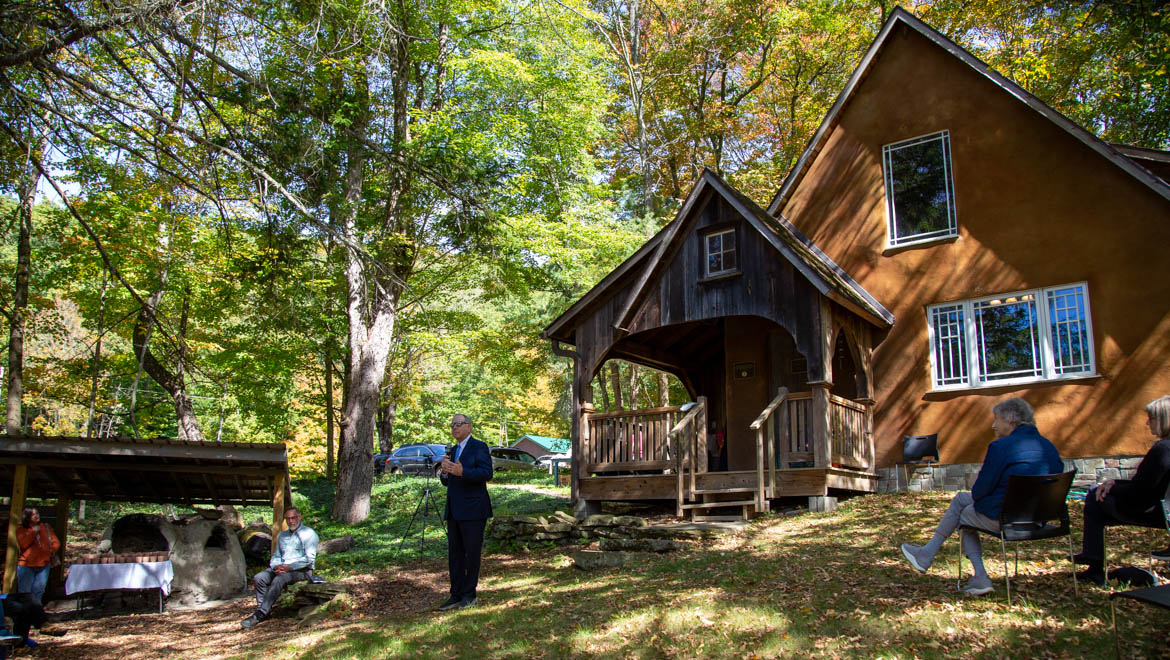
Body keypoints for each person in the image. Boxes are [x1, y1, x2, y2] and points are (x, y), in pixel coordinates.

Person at [899, 397, 1063, 596]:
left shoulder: (1001, 447)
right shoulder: (1050, 448)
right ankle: (927, 553)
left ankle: (978, 575)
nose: (994, 425)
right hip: (1038, 520)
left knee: (963, 513)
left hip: (1007, 518)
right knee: (960, 500)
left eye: (996, 419)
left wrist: (980, 480)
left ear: (1011, 418)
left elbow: (978, 493)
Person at [1072, 395, 1170, 585]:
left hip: (1151, 511)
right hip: (1161, 508)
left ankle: (1094, 566)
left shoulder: (1163, 450)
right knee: (1099, 498)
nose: (1147, 422)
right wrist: (1115, 483)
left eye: (1152, 418)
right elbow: (1147, 483)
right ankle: (1093, 560)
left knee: (1094, 496)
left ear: (1164, 419)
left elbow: (1139, 492)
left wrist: (1112, 487)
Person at [437, 414, 493, 611]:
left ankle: (470, 594)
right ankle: (456, 594)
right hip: (454, 509)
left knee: (471, 554)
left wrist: (464, 472)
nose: (454, 428)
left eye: (458, 424)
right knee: (455, 554)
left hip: (474, 509)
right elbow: (448, 480)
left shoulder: (479, 447)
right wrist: (445, 472)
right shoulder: (452, 450)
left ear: (469, 426)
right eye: (452, 424)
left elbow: (487, 473)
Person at [240, 507, 319, 629]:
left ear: (300, 517)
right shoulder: (283, 535)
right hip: (282, 568)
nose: (291, 521)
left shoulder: (309, 534)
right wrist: (276, 566)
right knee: (259, 578)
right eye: (288, 519)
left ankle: (260, 614)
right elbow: (276, 555)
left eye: (293, 518)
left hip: (302, 571)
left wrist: (289, 567)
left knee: (279, 579)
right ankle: (263, 610)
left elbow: (309, 559)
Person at [16, 507, 60, 605]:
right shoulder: (21, 528)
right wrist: (33, 532)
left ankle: (36, 615)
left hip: (44, 564)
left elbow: (56, 542)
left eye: (37, 513)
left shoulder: (46, 527)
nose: (36, 516)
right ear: (27, 517)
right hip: (26, 565)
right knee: (25, 592)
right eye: (33, 514)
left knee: (38, 591)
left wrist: (49, 552)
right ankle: (25, 615)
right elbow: (23, 544)